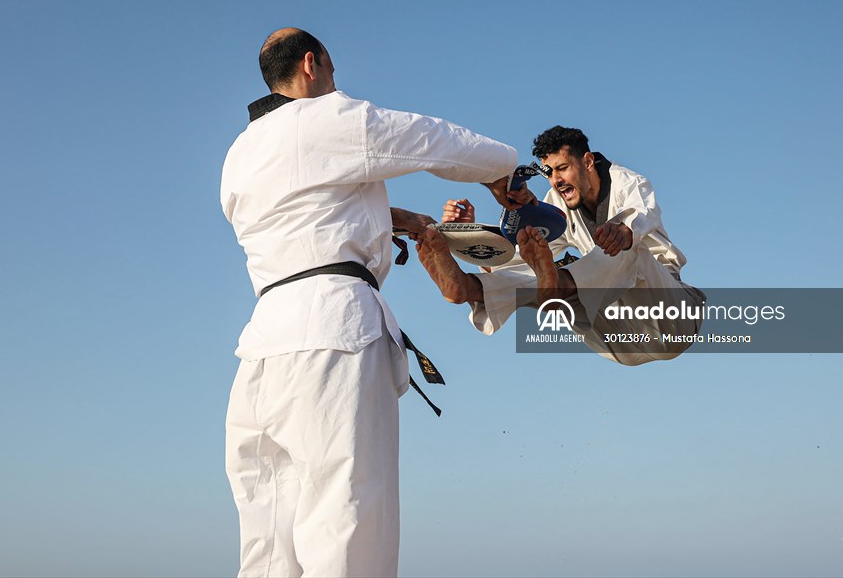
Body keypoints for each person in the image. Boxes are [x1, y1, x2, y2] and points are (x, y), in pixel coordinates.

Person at [220, 28, 520, 578]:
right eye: (332, 71)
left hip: (262, 352)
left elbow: (305, 214)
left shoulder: (239, 154)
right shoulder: (329, 118)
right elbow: (431, 139)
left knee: (268, 546)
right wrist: (502, 166)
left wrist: (395, 218)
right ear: (313, 64)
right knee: (347, 524)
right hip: (332, 333)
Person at [416, 125, 704, 366]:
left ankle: (559, 282)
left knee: (623, 249)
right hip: (621, 340)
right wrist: (472, 237)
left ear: (588, 162)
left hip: (670, 318)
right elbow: (518, 262)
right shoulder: (559, 204)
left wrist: (625, 232)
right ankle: (467, 289)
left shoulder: (628, 183)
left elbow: (643, 216)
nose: (555, 181)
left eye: (563, 168)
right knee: (541, 277)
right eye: (549, 172)